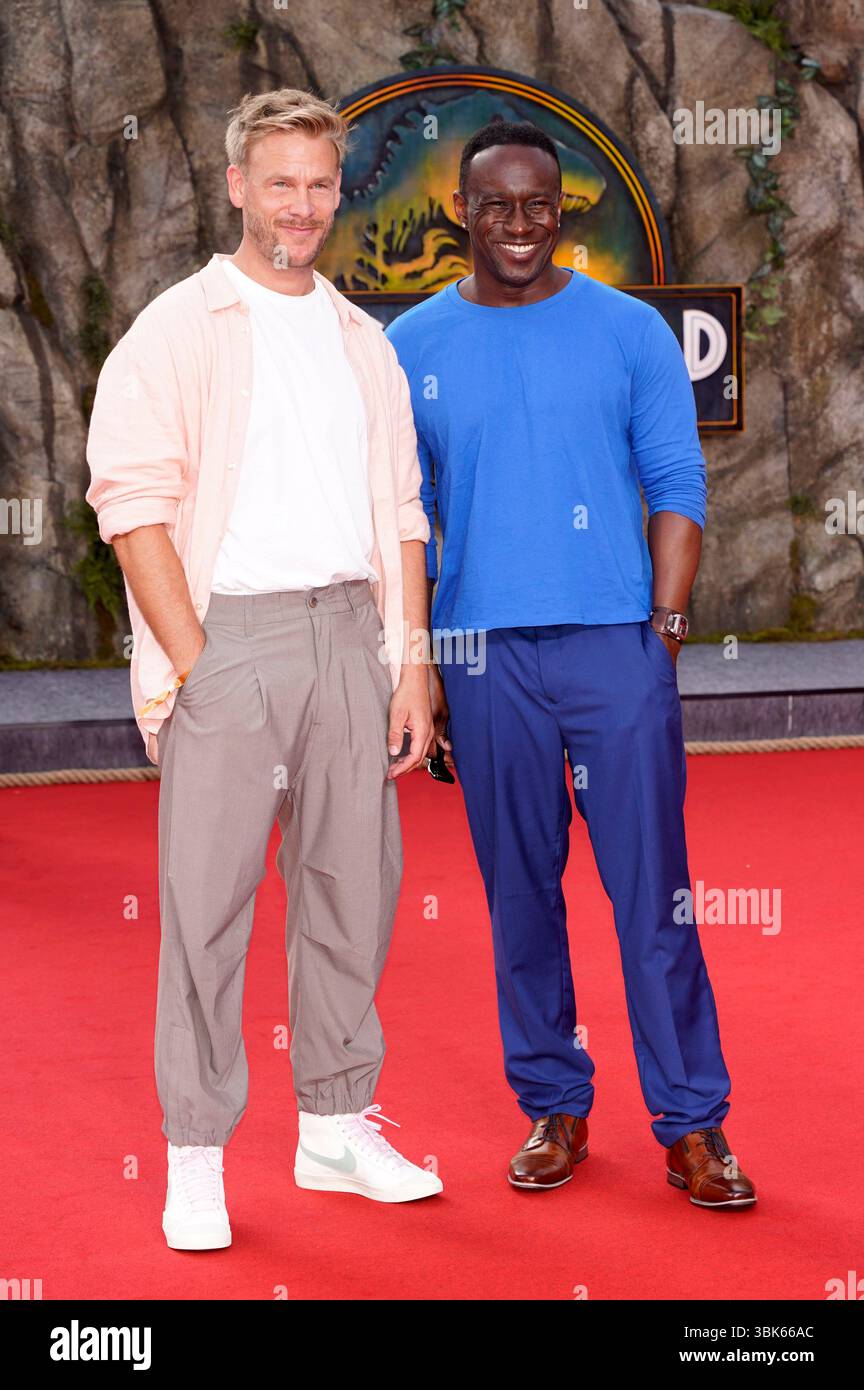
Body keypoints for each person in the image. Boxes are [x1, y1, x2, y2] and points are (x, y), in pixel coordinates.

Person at [86, 88, 443, 1250]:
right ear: (237, 184)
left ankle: (336, 1127)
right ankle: (195, 1155)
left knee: (355, 890)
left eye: (320, 184)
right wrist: (195, 661)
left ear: (341, 191)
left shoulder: (362, 342)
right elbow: (132, 507)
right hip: (228, 642)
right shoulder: (178, 327)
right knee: (207, 913)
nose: (301, 205)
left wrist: (410, 662)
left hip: (352, 633)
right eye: (279, 182)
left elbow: (401, 511)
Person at [385, 117, 756, 1210]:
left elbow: (678, 486)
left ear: (562, 209)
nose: (516, 223)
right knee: (520, 898)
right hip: (481, 654)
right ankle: (554, 1105)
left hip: (615, 650)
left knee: (657, 899)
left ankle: (695, 1124)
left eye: (537, 203)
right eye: (494, 203)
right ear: (461, 208)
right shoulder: (409, 347)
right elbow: (409, 518)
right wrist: (429, 666)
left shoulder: (630, 332)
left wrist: (664, 638)